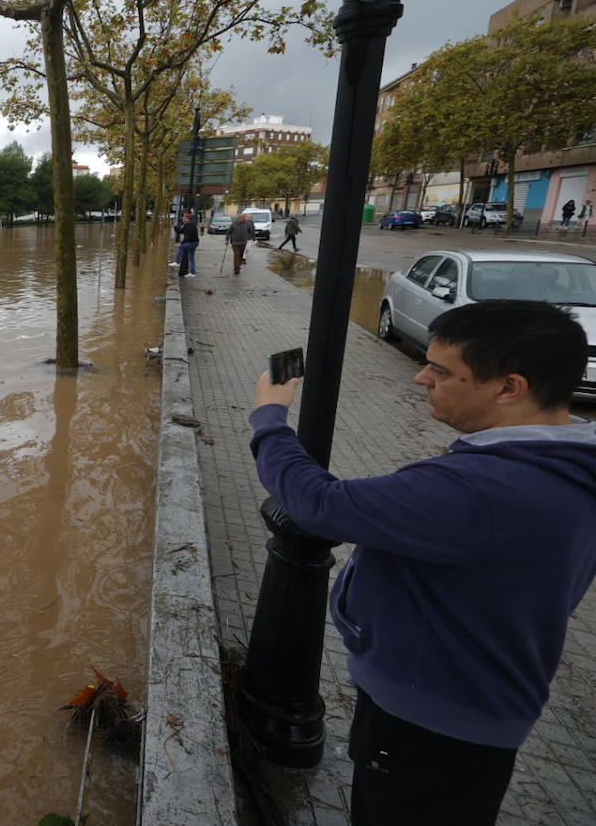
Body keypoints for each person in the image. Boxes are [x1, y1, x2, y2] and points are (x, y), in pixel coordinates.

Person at [249, 300, 596, 825]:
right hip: (481, 708)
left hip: (428, 724)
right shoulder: (569, 464)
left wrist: (269, 414)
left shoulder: (481, 492)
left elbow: (319, 503)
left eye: (440, 370)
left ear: (509, 388)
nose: (419, 379)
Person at [173, 212, 199, 276]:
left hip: (193, 243)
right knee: (191, 258)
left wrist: (181, 243)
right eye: (183, 218)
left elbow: (188, 237)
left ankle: (177, 262)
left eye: (185, 219)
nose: (183, 220)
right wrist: (174, 226)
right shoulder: (185, 225)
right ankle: (192, 273)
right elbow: (179, 231)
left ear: (188, 219)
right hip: (190, 242)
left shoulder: (192, 226)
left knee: (181, 247)